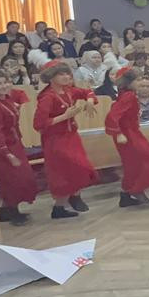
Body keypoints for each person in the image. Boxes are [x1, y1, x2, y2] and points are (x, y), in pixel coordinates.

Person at [32, 59, 99, 219]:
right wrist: (64, 116)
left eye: (67, 73)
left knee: (80, 167)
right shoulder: (47, 97)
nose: (66, 77)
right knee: (62, 172)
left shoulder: (69, 90)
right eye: (61, 74)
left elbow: (88, 92)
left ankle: (71, 198)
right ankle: (63, 204)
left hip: (71, 136)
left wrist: (90, 101)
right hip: (55, 139)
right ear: (51, 77)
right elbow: (39, 124)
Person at [104, 68, 149, 206]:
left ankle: (127, 194)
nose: (140, 83)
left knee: (132, 165)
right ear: (129, 82)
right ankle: (136, 189)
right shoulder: (128, 96)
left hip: (131, 132)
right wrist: (118, 133)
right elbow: (112, 116)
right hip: (127, 134)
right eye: (138, 80)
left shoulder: (128, 94)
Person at [0, 69, 39, 226]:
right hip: (4, 148)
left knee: (22, 177)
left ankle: (7, 210)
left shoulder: (6, 99)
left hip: (15, 143)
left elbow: (21, 95)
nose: (3, 86)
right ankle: (12, 212)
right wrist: (6, 153)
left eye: (5, 82)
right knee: (12, 180)